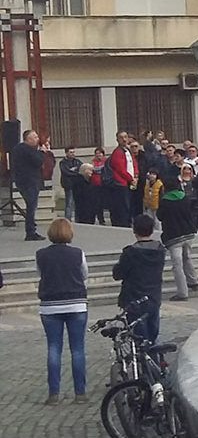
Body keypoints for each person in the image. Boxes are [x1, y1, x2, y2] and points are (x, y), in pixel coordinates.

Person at [35, 218, 88, 405]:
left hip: (50, 305)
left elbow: (41, 274)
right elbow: (84, 275)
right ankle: (80, 392)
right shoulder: (78, 253)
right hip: (76, 304)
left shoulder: (41, 254)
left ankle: (54, 393)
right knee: (78, 349)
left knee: (54, 348)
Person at [112, 214, 166, 345]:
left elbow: (118, 274)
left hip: (133, 299)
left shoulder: (130, 253)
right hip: (154, 297)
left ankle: (143, 363)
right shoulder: (160, 251)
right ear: (152, 230)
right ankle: (154, 361)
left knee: (138, 336)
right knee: (152, 335)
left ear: (134, 230)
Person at [157, 170, 198, 302]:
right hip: (188, 233)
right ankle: (193, 281)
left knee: (177, 264)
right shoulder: (184, 197)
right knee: (187, 257)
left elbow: (160, 216)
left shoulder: (165, 200)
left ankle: (182, 292)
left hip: (174, 235)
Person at [11, 129, 50, 240]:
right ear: (28, 139)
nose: (37, 139)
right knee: (31, 206)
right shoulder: (27, 150)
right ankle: (30, 232)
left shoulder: (18, 148)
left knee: (31, 205)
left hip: (22, 181)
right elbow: (37, 161)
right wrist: (42, 152)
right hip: (29, 181)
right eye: (35, 137)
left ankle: (31, 228)